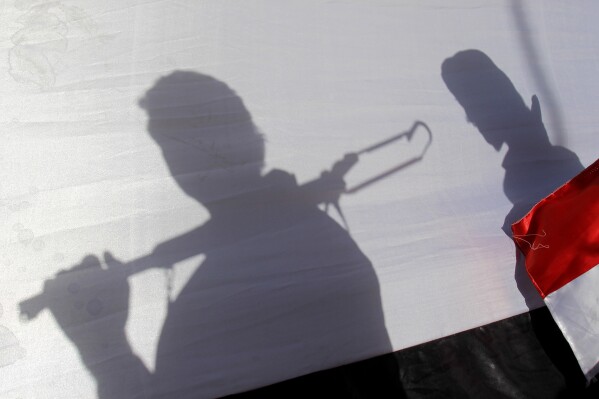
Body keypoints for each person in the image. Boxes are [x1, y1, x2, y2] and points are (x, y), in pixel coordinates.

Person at [40, 71, 402, 398]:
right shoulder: (283, 246)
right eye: (173, 146)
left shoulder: (295, 257)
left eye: (202, 132)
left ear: (249, 139)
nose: (192, 157)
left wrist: (105, 349)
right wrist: (105, 345)